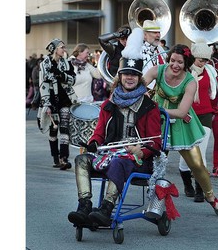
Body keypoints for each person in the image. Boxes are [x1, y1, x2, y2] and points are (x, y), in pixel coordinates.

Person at [67, 28, 162, 227]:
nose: (129, 78)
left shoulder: (150, 107)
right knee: (82, 159)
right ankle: (84, 207)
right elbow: (99, 132)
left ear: (139, 78)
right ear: (119, 76)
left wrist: (140, 150)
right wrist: (93, 143)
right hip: (109, 155)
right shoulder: (108, 104)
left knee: (119, 162)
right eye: (126, 74)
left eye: (134, 75)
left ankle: (106, 209)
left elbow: (155, 142)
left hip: (136, 160)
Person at [143, 43, 218, 217]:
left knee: (196, 164)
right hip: (157, 122)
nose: (175, 65)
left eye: (180, 62)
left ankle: (212, 198)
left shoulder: (190, 81)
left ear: (186, 63)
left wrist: (155, 110)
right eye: (173, 60)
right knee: (154, 163)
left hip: (181, 122)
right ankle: (154, 202)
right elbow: (136, 87)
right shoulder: (156, 70)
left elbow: (181, 112)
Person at [177, 38, 218, 203]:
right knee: (186, 155)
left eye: (205, 60)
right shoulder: (184, 73)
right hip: (187, 115)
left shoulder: (211, 72)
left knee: (200, 153)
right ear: (193, 57)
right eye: (200, 59)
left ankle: (199, 188)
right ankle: (187, 183)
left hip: (205, 115)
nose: (203, 62)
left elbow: (217, 92)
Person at [38, 38, 77, 170]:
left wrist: (62, 75)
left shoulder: (67, 63)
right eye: (61, 47)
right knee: (53, 130)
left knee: (65, 128)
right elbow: (42, 85)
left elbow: (73, 80)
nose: (64, 50)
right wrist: (46, 104)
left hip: (65, 99)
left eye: (64, 47)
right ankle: (55, 157)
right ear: (55, 49)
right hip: (52, 101)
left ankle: (64, 158)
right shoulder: (45, 64)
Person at [141, 20, 168, 89]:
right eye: (154, 32)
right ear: (145, 35)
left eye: (159, 32)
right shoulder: (137, 51)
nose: (158, 35)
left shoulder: (161, 50)